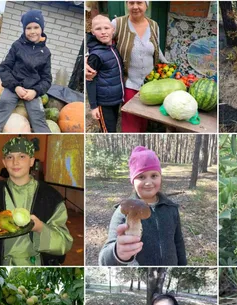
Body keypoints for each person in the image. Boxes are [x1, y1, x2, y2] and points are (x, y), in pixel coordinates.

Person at [0, 137, 73, 266]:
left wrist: (40, 228)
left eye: (22, 156)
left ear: (31, 161)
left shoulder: (51, 197)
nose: (15, 162)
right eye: (10, 157)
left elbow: (64, 243)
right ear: (4, 162)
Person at [86, 1, 168, 133]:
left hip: (150, 84)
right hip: (129, 83)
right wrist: (86, 58)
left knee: (144, 120)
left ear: (147, 5)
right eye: (131, 2)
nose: (135, 6)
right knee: (131, 124)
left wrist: (168, 64)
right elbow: (98, 40)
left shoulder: (154, 25)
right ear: (126, 4)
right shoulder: (117, 23)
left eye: (139, 2)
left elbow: (157, 48)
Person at [99, 146, 186, 266]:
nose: (149, 182)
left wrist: (182, 266)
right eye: (141, 177)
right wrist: (117, 253)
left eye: (154, 176)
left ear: (160, 177)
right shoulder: (122, 211)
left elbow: (178, 242)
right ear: (133, 180)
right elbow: (104, 260)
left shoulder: (171, 209)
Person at [0, 9, 51, 133]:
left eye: (36, 27)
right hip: (14, 86)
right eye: (28, 28)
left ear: (42, 29)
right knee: (3, 105)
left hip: (32, 90)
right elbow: (4, 68)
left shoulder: (45, 53)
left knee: (38, 116)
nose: (32, 31)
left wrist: (35, 92)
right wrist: (15, 87)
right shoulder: (17, 46)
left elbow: (47, 79)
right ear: (24, 29)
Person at [86, 15, 124, 133]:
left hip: (115, 99)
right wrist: (93, 106)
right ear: (93, 32)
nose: (103, 32)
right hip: (104, 102)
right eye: (98, 29)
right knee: (108, 131)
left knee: (111, 126)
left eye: (106, 28)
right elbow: (90, 80)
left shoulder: (113, 47)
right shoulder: (95, 55)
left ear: (113, 29)